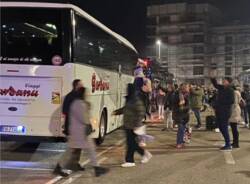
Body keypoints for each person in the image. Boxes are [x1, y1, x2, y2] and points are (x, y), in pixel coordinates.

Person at [54, 87, 109, 177]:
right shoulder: (80, 104)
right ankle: (96, 168)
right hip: (81, 133)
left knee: (72, 150)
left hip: (77, 132)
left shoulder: (76, 103)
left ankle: (58, 167)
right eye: (86, 94)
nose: (87, 95)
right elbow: (84, 118)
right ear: (82, 94)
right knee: (89, 148)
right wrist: (90, 124)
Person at [112, 84, 152, 167]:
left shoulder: (135, 100)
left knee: (131, 144)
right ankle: (143, 154)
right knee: (132, 143)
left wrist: (137, 124)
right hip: (128, 125)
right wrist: (117, 112)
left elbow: (141, 112)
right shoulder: (130, 99)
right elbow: (126, 109)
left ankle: (130, 160)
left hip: (133, 125)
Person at [210, 77, 234, 151]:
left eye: (225, 80)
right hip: (219, 110)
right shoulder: (222, 87)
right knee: (220, 127)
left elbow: (231, 101)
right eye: (223, 80)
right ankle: (227, 143)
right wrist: (213, 78)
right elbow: (216, 85)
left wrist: (220, 103)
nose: (223, 81)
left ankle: (228, 144)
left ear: (228, 82)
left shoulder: (230, 90)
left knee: (224, 127)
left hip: (225, 111)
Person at [172, 83, 190, 149]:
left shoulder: (187, 95)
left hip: (185, 115)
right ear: (183, 88)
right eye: (187, 87)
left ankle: (181, 141)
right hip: (179, 115)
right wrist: (181, 106)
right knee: (181, 129)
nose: (188, 88)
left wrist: (185, 107)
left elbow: (188, 105)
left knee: (183, 129)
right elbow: (174, 105)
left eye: (188, 87)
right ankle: (179, 143)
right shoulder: (177, 95)